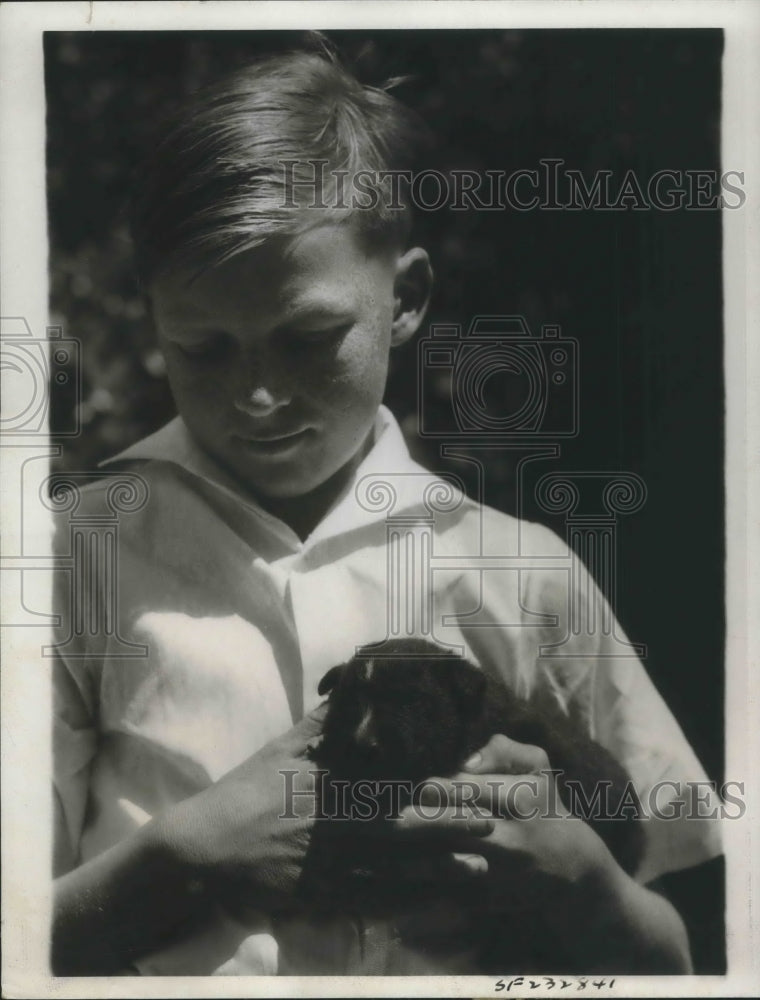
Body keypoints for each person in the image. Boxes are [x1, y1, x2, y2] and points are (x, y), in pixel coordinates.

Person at [51, 46, 722, 976]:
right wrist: (183, 856)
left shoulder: (523, 572)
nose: (256, 396)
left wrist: (585, 885)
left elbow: (696, 948)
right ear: (152, 316)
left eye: (308, 339)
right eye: (202, 347)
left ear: (404, 298)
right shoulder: (68, 559)